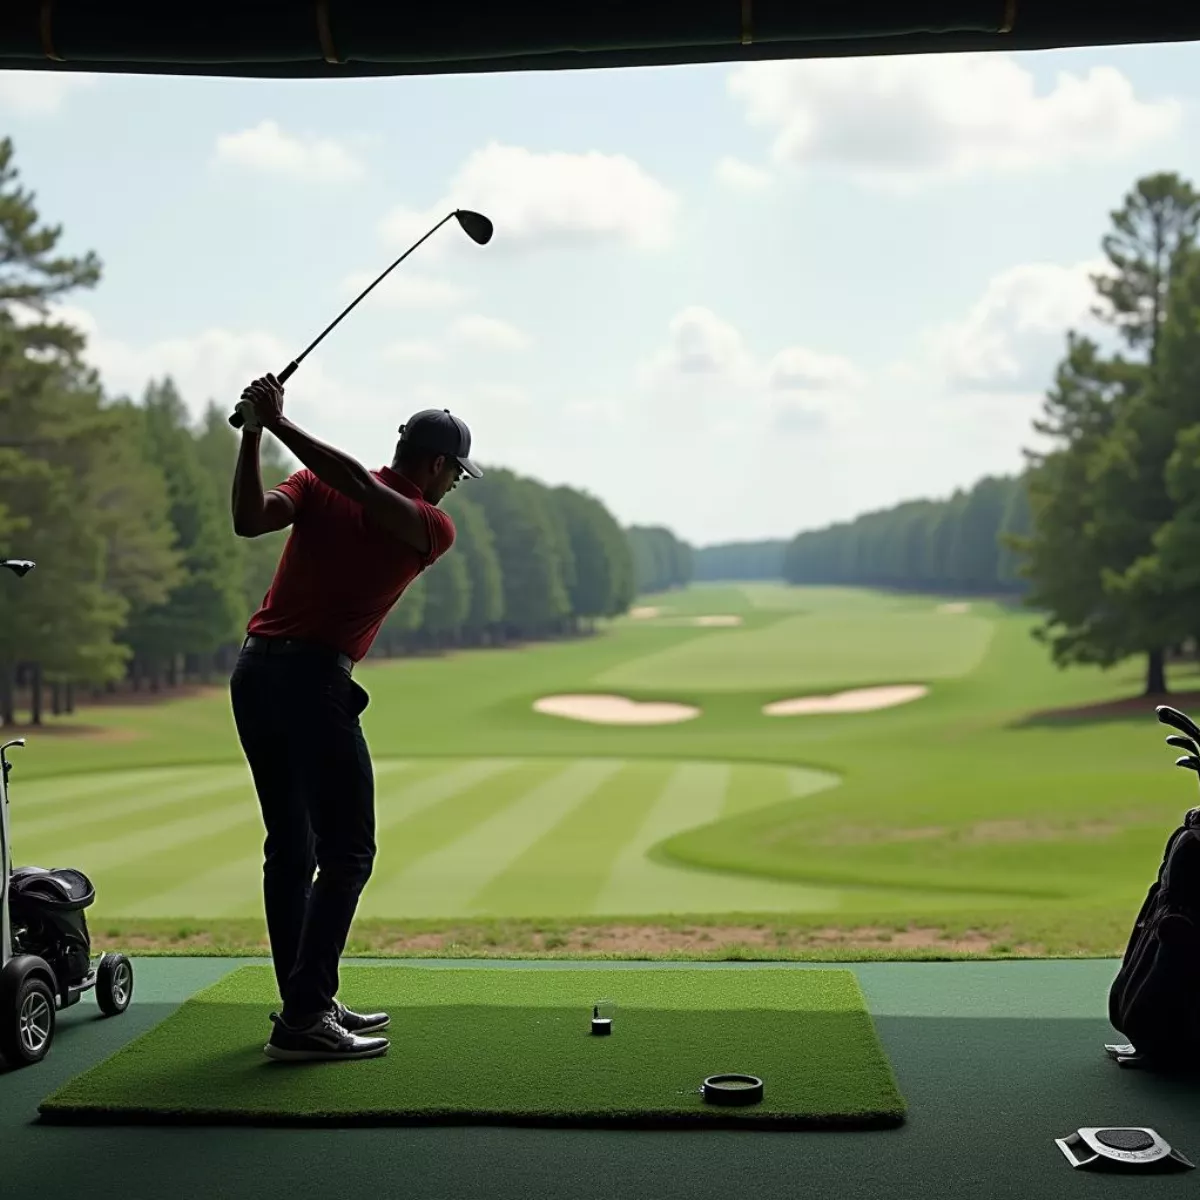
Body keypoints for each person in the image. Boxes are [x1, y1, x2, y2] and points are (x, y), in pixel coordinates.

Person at [229, 373, 481, 1062]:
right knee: (346, 853)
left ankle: (302, 1003)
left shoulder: (403, 515)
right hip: (310, 682)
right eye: (455, 472)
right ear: (435, 466)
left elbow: (362, 491)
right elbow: (250, 520)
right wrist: (258, 432)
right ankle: (306, 1014)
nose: (454, 485)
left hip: (255, 675)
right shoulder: (426, 518)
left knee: (293, 848)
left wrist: (268, 424)